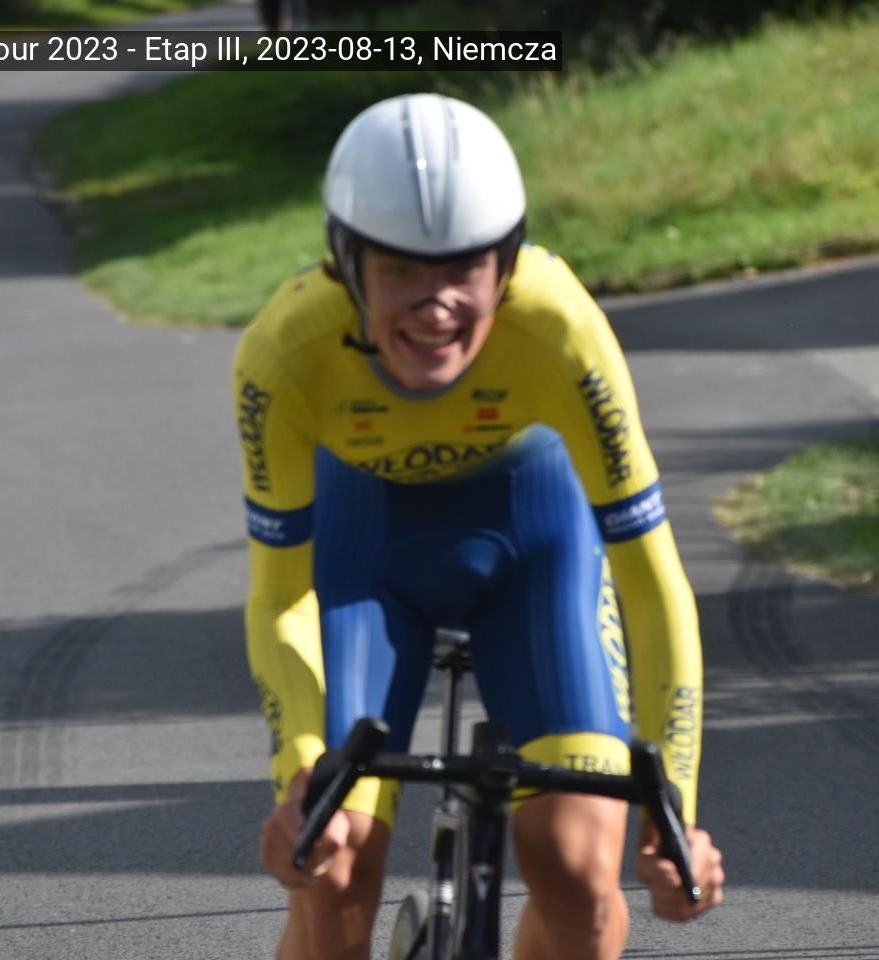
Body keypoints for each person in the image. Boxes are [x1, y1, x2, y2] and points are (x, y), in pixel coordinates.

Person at [234, 92, 724, 960]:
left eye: (465, 270)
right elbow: (280, 596)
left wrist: (671, 809)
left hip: (535, 552)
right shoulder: (284, 353)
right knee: (332, 873)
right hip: (365, 566)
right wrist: (302, 771)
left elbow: (651, 583)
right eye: (400, 273)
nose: (436, 307)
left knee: (580, 881)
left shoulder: (561, 326)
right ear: (346, 266)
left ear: (507, 264)